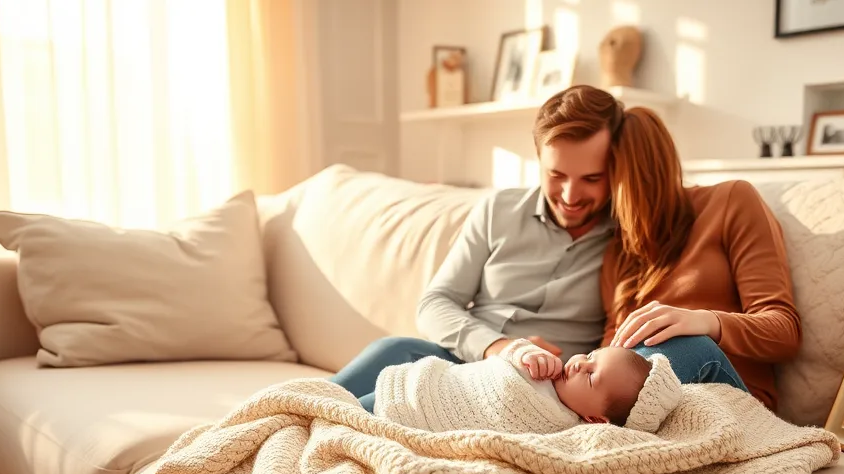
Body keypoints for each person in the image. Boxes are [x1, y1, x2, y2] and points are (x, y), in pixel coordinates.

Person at [330, 85, 747, 413]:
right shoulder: (498, 209)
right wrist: (500, 347)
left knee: (375, 409)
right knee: (390, 351)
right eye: (557, 174)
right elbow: (436, 303)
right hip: (472, 355)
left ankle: (318, 433)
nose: (570, 194)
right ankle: (278, 418)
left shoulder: (626, 236)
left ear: (614, 171)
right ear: (538, 160)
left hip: (540, 382)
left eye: (591, 178)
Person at [601, 106, 801, 411]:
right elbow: (611, 350)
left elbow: (784, 331)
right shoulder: (615, 249)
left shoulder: (731, 201)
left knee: (686, 345)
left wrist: (705, 321)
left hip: (729, 397)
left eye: (596, 179)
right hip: (654, 400)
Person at [373, 338, 681, 435]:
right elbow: (505, 359)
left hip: (419, 420)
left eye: (589, 376)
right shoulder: (547, 366)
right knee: (341, 404)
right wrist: (526, 353)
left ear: (596, 419)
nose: (578, 364)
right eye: (589, 357)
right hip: (424, 388)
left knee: (344, 415)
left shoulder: (564, 428)